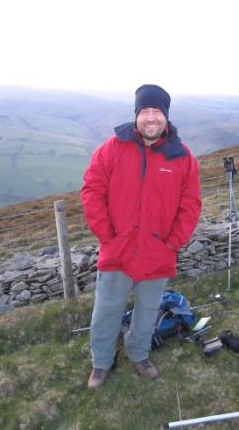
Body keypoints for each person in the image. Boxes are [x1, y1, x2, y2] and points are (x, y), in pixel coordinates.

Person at [81, 84, 201, 388]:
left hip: (157, 251)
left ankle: (139, 353)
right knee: (107, 310)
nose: (151, 118)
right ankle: (101, 362)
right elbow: (92, 191)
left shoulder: (182, 157)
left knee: (148, 310)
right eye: (145, 111)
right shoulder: (111, 149)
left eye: (156, 112)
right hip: (117, 249)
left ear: (166, 117)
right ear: (136, 115)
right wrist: (107, 236)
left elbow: (191, 204)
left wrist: (172, 243)